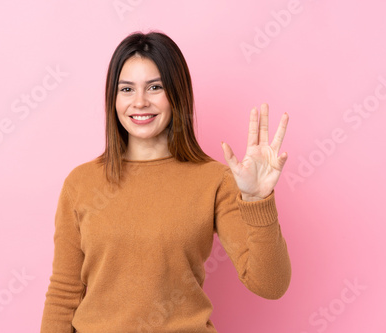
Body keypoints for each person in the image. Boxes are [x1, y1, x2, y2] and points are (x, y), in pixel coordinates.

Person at [40, 31, 291, 333]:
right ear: (113, 98)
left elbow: (270, 284)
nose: (140, 102)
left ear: (176, 93)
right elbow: (64, 293)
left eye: (155, 87)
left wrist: (257, 201)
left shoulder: (214, 180)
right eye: (127, 89)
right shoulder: (81, 183)